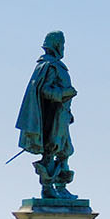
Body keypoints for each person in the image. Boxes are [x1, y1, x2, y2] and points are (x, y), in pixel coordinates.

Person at [16, 30, 77, 199]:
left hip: (62, 115)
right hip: (52, 117)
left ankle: (61, 187)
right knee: (52, 150)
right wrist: (65, 92)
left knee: (65, 150)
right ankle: (48, 188)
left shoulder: (56, 65)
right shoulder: (49, 66)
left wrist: (68, 110)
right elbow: (45, 90)